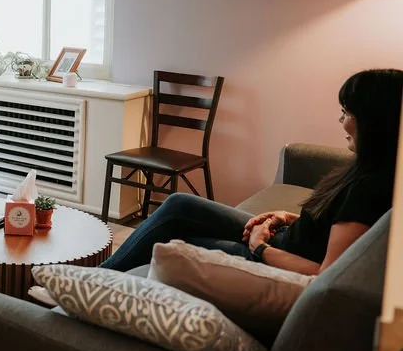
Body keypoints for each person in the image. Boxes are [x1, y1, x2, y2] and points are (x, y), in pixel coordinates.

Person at [101, 68, 403, 275]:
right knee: (179, 205)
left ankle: (89, 280)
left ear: (377, 123)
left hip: (275, 256)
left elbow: (326, 272)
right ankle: (97, 274)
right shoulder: (371, 168)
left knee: (169, 237)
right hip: (282, 236)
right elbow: (334, 229)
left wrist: (260, 247)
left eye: (347, 113)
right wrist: (285, 216)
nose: (341, 121)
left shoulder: (372, 188)